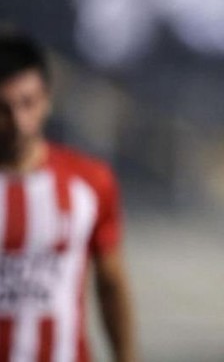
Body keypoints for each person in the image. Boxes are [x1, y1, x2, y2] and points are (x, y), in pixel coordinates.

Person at [0, 32, 136, 362]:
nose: (18, 121)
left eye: (28, 103)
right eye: (3, 109)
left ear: (47, 100)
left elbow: (111, 284)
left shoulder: (89, 182)